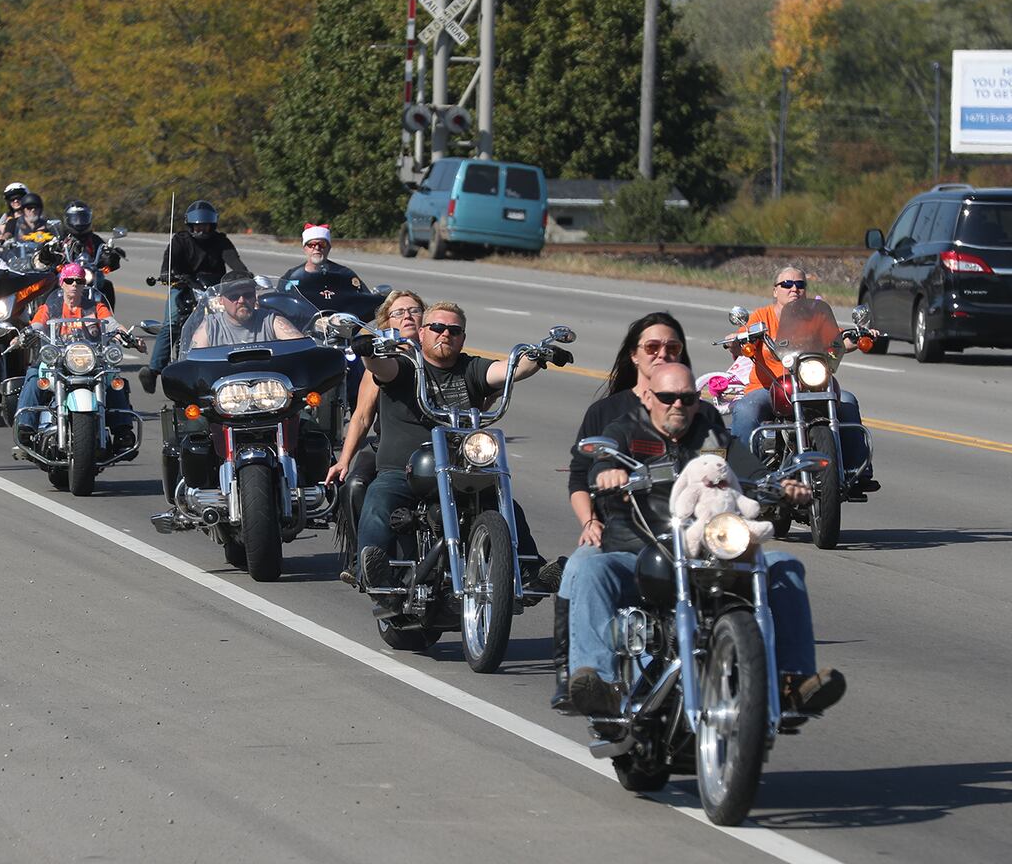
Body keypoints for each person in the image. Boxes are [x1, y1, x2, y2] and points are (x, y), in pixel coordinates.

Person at [563, 362, 845, 717]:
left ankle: (792, 681)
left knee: (784, 565)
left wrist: (782, 486)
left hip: (713, 550)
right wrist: (608, 473)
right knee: (593, 570)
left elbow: (753, 473)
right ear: (649, 397)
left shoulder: (714, 439)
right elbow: (601, 464)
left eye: (687, 397)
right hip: (643, 548)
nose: (678, 404)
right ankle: (597, 683)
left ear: (697, 400)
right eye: (668, 397)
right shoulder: (625, 431)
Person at [354, 301, 557, 603]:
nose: (444, 334)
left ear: (462, 337)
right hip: (403, 470)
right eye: (437, 327)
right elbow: (382, 368)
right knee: (378, 500)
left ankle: (528, 571)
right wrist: (368, 351)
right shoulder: (406, 365)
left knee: (507, 505)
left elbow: (508, 370)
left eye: (453, 330)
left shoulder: (471, 368)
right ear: (422, 333)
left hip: (461, 468)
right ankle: (374, 571)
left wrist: (539, 358)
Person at [551, 312, 693, 709]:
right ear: (634, 355)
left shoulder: (694, 408)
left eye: (672, 348)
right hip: (620, 528)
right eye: (652, 347)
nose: (662, 354)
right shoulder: (608, 412)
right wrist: (590, 521)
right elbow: (580, 478)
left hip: (683, 534)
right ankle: (575, 675)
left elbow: (726, 457)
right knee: (581, 566)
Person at [727, 265, 875, 492]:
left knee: (847, 401)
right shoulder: (762, 317)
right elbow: (741, 339)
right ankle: (742, 474)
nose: (794, 289)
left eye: (800, 284)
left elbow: (836, 341)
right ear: (775, 290)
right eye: (786, 284)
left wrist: (859, 335)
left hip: (811, 385)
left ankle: (856, 470)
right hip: (771, 388)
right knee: (746, 409)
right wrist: (736, 340)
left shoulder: (815, 316)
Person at [326, 288, 425, 583]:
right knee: (355, 483)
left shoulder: (440, 352)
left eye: (414, 311)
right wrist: (344, 459)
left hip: (439, 446)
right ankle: (364, 559)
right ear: (386, 324)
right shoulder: (381, 359)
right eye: (399, 312)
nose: (407, 316)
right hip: (390, 445)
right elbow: (362, 415)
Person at [15, 262, 141, 450]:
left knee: (112, 378)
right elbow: (37, 324)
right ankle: (26, 426)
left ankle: (122, 429)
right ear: (62, 282)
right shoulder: (50, 307)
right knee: (35, 376)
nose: (74, 284)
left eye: (79, 281)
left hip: (89, 360)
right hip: (58, 360)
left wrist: (130, 337)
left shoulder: (95, 307)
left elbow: (111, 324)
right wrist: (24, 335)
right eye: (70, 280)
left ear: (84, 284)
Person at [140, 200, 249, 391]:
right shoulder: (180, 240)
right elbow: (169, 263)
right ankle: (153, 370)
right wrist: (167, 273)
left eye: (205, 225)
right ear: (190, 225)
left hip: (214, 290)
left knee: (238, 317)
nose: (202, 229)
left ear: (212, 225)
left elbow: (234, 261)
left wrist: (246, 276)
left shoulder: (221, 241)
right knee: (172, 322)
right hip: (183, 286)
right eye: (198, 225)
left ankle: (245, 364)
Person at [187, 270, 304, 349]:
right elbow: (194, 361)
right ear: (221, 300)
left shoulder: (270, 320)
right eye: (234, 296)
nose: (242, 300)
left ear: (255, 297)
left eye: (248, 295)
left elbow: (301, 346)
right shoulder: (211, 326)